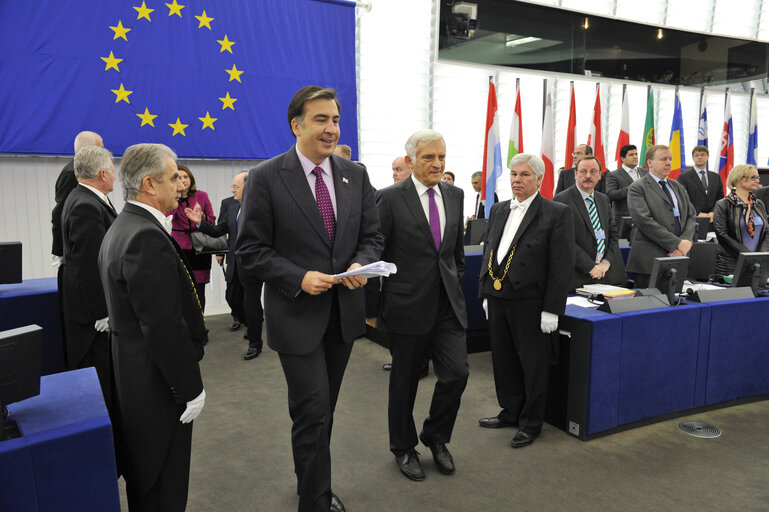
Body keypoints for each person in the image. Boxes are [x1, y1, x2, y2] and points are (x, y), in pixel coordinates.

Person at [235, 86, 383, 512]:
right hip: (296, 317)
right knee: (313, 412)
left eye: (335, 119)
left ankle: (313, 481)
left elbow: (372, 236)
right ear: (296, 125)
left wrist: (360, 264)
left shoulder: (355, 174)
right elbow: (250, 251)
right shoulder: (266, 177)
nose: (331, 128)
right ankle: (314, 500)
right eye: (321, 119)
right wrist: (299, 277)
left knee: (323, 411)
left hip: (343, 317)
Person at [98, 143, 207, 512]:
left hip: (135, 378)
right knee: (163, 485)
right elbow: (161, 325)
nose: (181, 184)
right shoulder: (144, 235)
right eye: (174, 176)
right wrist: (190, 388)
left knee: (146, 478)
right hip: (158, 385)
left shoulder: (122, 226)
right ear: (149, 184)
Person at [375, 130, 469, 482]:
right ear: (411, 160)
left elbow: (455, 253)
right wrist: (372, 307)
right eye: (429, 157)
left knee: (457, 374)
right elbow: (375, 254)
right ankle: (402, 447)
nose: (437, 163)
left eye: (441, 157)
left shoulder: (455, 195)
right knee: (404, 382)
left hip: (447, 305)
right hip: (406, 306)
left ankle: (435, 436)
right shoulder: (389, 199)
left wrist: (455, 280)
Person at [478, 153, 575, 448]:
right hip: (498, 296)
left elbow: (562, 265)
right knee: (503, 360)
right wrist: (485, 292)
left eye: (524, 175)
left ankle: (531, 422)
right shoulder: (497, 209)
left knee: (533, 365)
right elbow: (490, 252)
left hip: (532, 302)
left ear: (540, 179)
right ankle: (510, 411)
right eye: (513, 175)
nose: (517, 180)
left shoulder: (557, 212)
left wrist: (552, 309)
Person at [60, 145, 117, 410]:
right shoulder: (86, 205)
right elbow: (88, 264)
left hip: (87, 309)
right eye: (114, 171)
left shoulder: (82, 197)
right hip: (91, 318)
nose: (116, 177)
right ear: (103, 174)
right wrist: (102, 312)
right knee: (99, 380)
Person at [185, 172, 264, 360]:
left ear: (248, 186)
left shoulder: (261, 208)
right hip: (235, 263)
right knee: (233, 299)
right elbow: (218, 231)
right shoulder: (232, 207)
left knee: (251, 304)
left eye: (236, 186)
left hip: (253, 265)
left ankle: (255, 342)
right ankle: (250, 324)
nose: (232, 190)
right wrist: (200, 223)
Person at [626, 145, 697, 288]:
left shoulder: (677, 186)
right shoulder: (637, 187)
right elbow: (643, 221)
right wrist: (676, 243)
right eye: (663, 159)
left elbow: (691, 215)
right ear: (650, 163)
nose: (669, 163)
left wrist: (685, 243)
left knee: (675, 304)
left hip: (678, 257)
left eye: (670, 159)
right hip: (649, 260)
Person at [554, 156, 625, 290]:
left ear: (599, 175)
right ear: (575, 174)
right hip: (577, 277)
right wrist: (590, 266)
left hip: (604, 275)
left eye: (593, 171)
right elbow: (564, 240)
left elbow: (613, 235)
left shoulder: (603, 199)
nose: (588, 176)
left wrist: (606, 262)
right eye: (583, 171)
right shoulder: (562, 199)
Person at [51, 130, 104, 269]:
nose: (104, 153)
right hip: (74, 253)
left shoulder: (82, 172)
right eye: (101, 148)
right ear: (88, 150)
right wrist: (60, 252)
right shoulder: (72, 174)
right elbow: (60, 213)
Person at [167, 164, 215, 312]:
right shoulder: (170, 197)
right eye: (179, 177)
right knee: (182, 287)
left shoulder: (202, 196)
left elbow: (212, 221)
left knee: (199, 288)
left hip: (200, 247)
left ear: (191, 178)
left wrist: (202, 218)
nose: (183, 180)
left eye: (186, 177)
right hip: (180, 247)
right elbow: (166, 218)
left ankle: (201, 322)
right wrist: (176, 197)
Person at [713, 164, 769, 275]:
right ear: (739, 179)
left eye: (757, 177)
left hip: (757, 264)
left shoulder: (758, 204)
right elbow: (722, 234)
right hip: (731, 265)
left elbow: (766, 231)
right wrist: (747, 256)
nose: (757, 180)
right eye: (753, 177)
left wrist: (760, 255)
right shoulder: (723, 204)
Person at [676, 145, 724, 229]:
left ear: (708, 156)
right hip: (692, 220)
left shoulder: (716, 177)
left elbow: (720, 198)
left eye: (702, 154)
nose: (700, 157)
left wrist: (713, 212)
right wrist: (697, 212)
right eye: (696, 155)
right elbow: (682, 198)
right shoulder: (683, 177)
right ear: (693, 158)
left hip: (712, 220)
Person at [605, 144, 648, 222]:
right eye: (631, 155)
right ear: (622, 158)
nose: (635, 157)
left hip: (645, 217)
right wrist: (632, 186)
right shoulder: (613, 175)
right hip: (624, 220)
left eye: (636, 154)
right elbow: (611, 194)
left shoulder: (646, 172)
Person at [217, 194, 241, 331]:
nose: (233, 189)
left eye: (236, 186)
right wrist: (220, 252)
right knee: (231, 293)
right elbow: (221, 228)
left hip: (250, 259)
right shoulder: (227, 203)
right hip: (232, 255)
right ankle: (237, 316)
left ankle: (250, 318)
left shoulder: (258, 199)